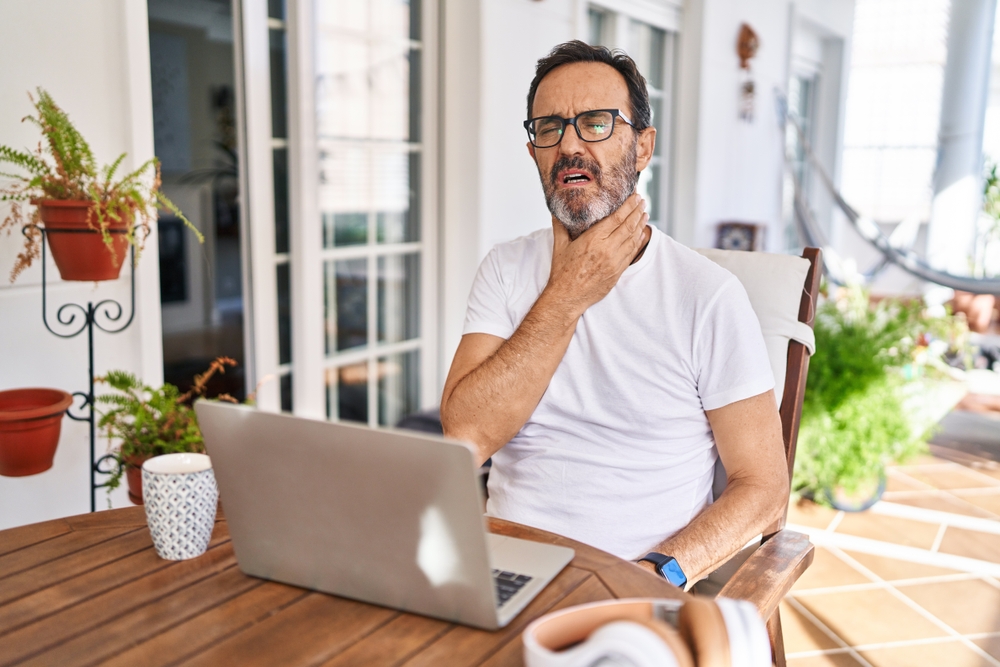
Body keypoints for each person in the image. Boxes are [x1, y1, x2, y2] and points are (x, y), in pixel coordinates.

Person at [439, 41, 789, 588]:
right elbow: (467, 434)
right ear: (533, 151)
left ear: (643, 146)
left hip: (637, 581)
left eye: (597, 123)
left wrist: (661, 572)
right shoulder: (506, 269)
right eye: (550, 127)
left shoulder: (706, 295)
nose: (570, 145)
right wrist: (570, 292)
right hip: (504, 570)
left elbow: (763, 486)